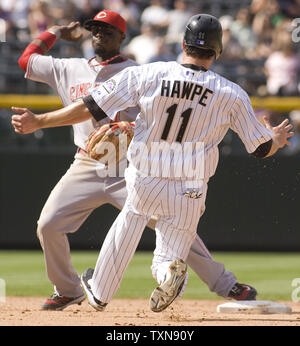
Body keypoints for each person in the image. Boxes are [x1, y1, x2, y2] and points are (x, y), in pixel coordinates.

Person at [12, 11, 262, 311]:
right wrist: (53, 30)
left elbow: (157, 116)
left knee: (173, 226)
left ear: (122, 37)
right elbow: (27, 60)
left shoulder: (140, 70)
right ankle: (68, 288)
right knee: (48, 224)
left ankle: (223, 283)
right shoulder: (68, 68)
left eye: (107, 31)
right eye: (95, 30)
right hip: (87, 161)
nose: (99, 35)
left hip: (130, 165)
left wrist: (132, 128)